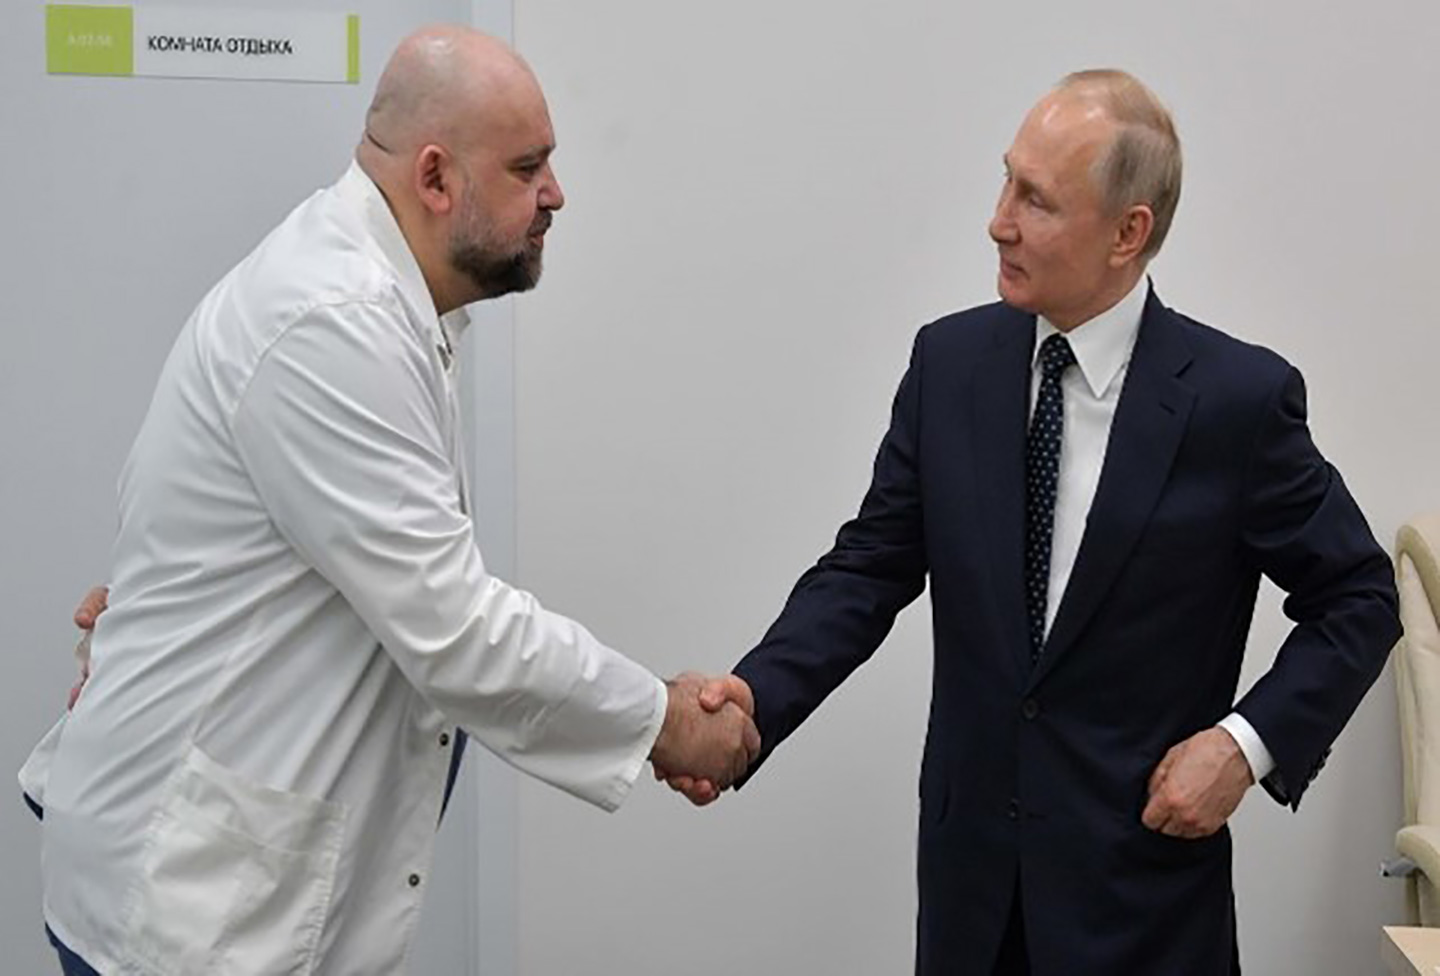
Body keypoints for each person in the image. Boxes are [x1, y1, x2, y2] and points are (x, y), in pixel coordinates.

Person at [20, 27, 754, 976]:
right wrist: (663, 719)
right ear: (437, 178)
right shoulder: (336, 320)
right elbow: (456, 630)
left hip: (218, 891)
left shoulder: (375, 301)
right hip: (188, 920)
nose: (556, 194)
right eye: (529, 167)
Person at [662, 70, 1400, 974]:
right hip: (973, 903)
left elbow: (1360, 595)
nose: (999, 220)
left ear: (1129, 232)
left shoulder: (1235, 403)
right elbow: (871, 566)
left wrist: (1242, 748)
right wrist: (754, 702)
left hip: (1143, 909)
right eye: (1006, 180)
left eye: (1036, 200)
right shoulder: (950, 363)